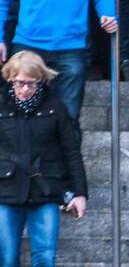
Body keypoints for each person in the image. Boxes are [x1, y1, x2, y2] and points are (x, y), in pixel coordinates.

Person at [0, 50, 87, 267]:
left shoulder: (55, 107)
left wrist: (80, 192)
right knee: (7, 258)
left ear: (41, 81)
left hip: (45, 189)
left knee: (45, 258)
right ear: (10, 78)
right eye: (20, 82)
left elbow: (71, 151)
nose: (25, 89)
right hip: (6, 191)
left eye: (32, 83)